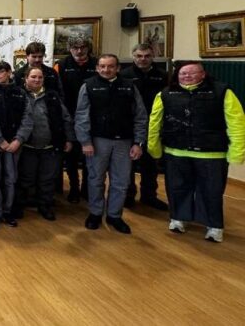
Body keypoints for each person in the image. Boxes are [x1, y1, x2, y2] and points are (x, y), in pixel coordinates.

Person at [148, 61, 245, 243]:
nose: (187, 77)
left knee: (211, 191)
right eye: (183, 74)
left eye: (192, 73)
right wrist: (153, 147)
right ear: (177, 76)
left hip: (212, 153)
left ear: (203, 74)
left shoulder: (222, 92)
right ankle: (178, 218)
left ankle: (214, 226)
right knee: (177, 188)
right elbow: (155, 123)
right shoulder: (166, 94)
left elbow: (237, 123)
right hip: (176, 151)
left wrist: (237, 152)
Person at [75, 54, 147, 234]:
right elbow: (81, 116)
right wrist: (85, 141)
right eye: (102, 66)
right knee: (95, 179)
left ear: (118, 68)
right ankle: (95, 213)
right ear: (97, 68)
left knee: (121, 182)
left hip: (124, 141)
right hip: (97, 141)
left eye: (110, 66)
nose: (106, 70)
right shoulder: (89, 86)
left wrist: (138, 142)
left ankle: (115, 215)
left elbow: (140, 116)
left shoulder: (130, 86)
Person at [0, 61, 33, 230]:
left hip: (14, 144)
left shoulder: (20, 93)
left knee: (11, 178)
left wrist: (18, 140)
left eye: (0, 72)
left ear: (9, 73)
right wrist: (0, 140)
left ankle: (8, 211)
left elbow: (27, 119)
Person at [14, 66, 74, 221]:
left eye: (40, 77)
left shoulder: (52, 96)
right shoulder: (18, 95)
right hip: (26, 147)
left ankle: (45, 206)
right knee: (25, 179)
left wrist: (69, 138)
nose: (37, 80)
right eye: (33, 77)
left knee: (47, 180)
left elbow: (66, 118)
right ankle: (19, 206)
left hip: (50, 147)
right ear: (25, 78)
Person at [119, 43, 169, 210]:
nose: (143, 59)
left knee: (151, 164)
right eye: (139, 56)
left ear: (152, 56)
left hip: (155, 125)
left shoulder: (163, 75)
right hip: (130, 124)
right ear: (133, 56)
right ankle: (128, 195)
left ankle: (149, 196)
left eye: (147, 56)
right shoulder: (124, 75)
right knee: (129, 164)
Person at [54, 36, 98, 203]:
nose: (79, 51)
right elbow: (58, 92)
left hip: (92, 118)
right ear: (69, 48)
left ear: (88, 47)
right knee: (71, 156)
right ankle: (73, 187)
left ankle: (87, 189)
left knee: (90, 156)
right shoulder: (61, 65)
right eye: (75, 48)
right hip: (70, 117)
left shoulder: (97, 64)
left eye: (82, 47)